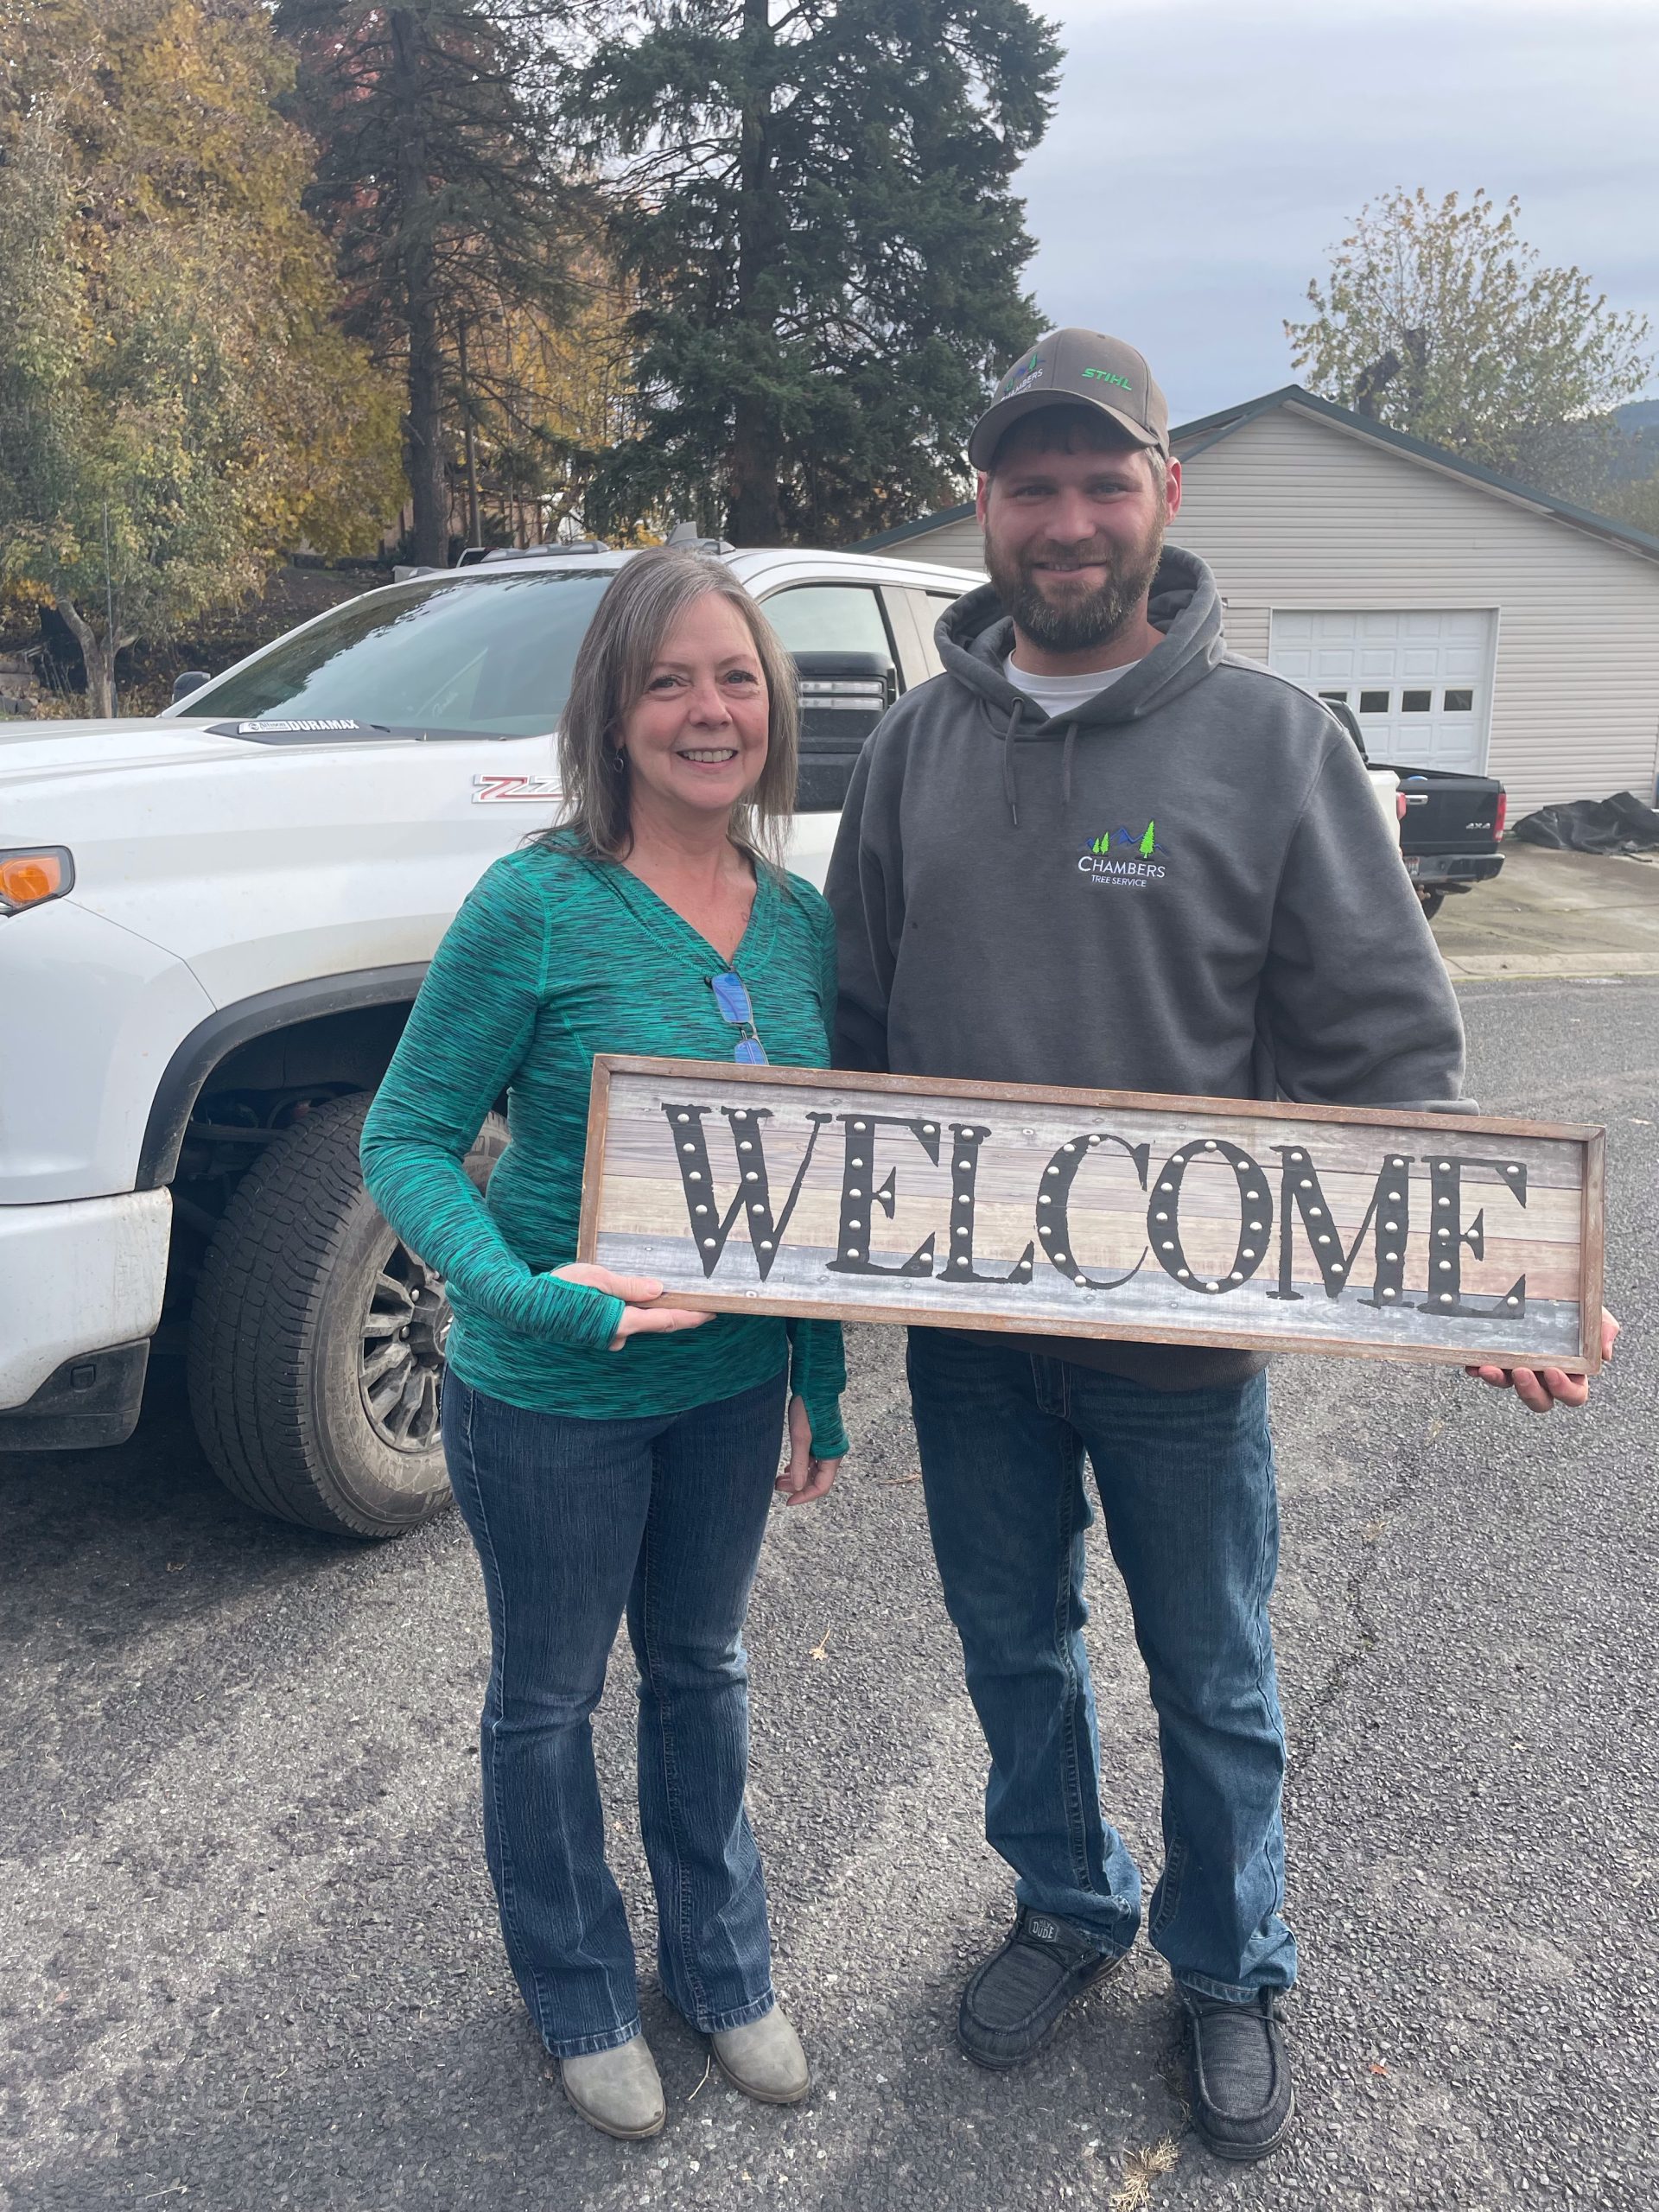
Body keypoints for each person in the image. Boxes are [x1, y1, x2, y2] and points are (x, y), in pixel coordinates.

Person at [825, 327, 1617, 2162]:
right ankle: (1066, 1900)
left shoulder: (1275, 743)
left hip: (1184, 1342)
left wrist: (1490, 1276)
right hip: (969, 1338)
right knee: (1011, 1641)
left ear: (1166, 494)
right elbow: (850, 1027)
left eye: (1104, 481)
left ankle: (1230, 1961)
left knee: (1215, 1670)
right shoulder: (918, 745)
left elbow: (1383, 1042)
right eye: (1033, 486)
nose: (1069, 519)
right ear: (985, 507)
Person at [362, 545, 848, 2142]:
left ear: (773, 710)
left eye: (736, 680)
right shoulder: (537, 906)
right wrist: (529, 1295)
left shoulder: (799, 924)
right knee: (551, 1699)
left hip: (730, 1390)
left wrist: (818, 1375)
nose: (709, 712)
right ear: (613, 712)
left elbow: (815, 1180)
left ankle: (723, 1970)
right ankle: (577, 1992)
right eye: (668, 682)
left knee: (702, 1672)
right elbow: (407, 1141)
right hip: (553, 1397)